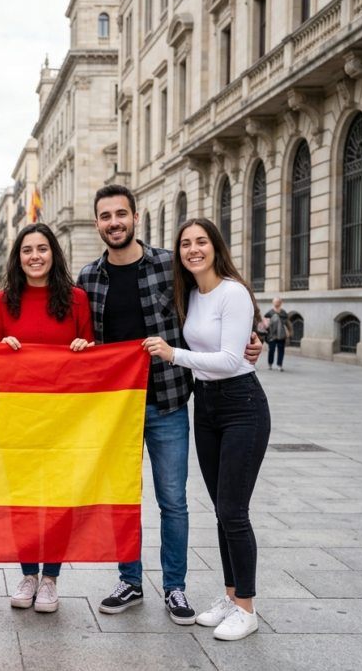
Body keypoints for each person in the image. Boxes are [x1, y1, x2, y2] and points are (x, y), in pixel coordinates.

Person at [78, 184, 261, 625]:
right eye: (105, 216)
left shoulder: (168, 265)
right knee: (125, 499)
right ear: (98, 223)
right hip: (117, 410)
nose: (114, 222)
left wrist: (252, 339)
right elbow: (76, 330)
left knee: (173, 501)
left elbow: (212, 305)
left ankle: (175, 588)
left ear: (135, 218)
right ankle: (130, 581)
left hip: (170, 404)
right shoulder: (87, 277)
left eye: (121, 214)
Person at [142, 217, 270, 642]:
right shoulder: (191, 294)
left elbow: (233, 359)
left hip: (241, 404)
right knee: (221, 510)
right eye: (185, 244)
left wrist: (172, 354)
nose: (193, 249)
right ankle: (232, 597)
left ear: (215, 246)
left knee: (234, 511)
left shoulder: (233, 292)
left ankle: (247, 609)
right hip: (206, 405)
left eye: (200, 242)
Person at [0, 222, 95, 614]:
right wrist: (1, 348)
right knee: (23, 500)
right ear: (18, 258)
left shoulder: (78, 300)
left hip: (64, 418)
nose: (35, 256)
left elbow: (93, 355)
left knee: (58, 498)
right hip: (16, 417)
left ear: (54, 254)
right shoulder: (1, 303)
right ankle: (28, 573)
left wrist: (87, 347)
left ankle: (51, 578)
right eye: (27, 250)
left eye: (42, 249)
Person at [264, 298, 292, 372]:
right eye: (275, 302)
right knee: (271, 349)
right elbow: (265, 324)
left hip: (281, 334)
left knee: (281, 350)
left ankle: (279, 364)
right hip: (272, 334)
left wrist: (289, 332)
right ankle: (270, 363)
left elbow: (288, 324)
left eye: (278, 302)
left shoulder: (284, 313)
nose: (277, 303)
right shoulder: (269, 313)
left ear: (281, 303)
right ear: (273, 303)